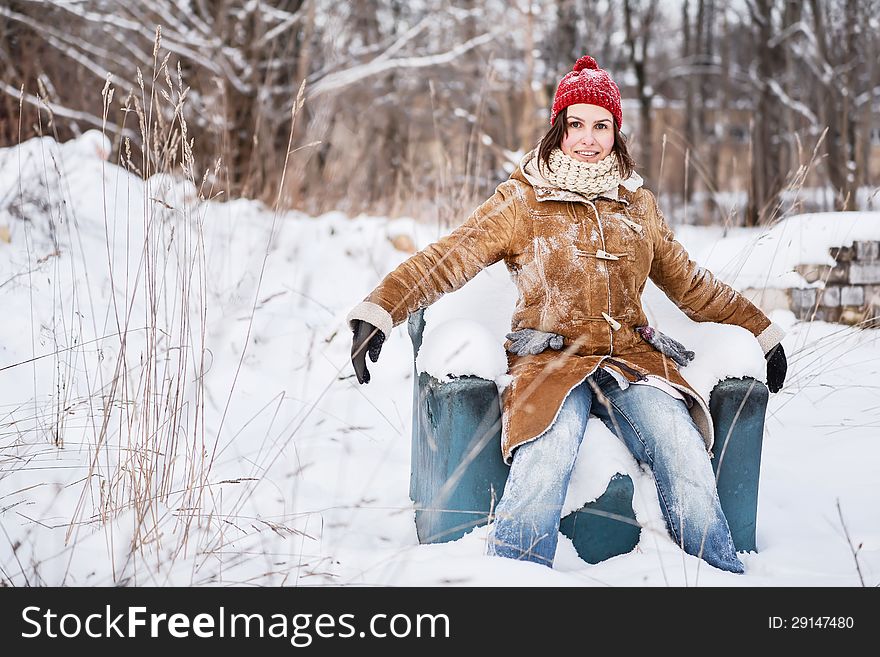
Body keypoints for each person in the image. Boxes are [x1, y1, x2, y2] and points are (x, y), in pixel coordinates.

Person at [346, 55, 788, 573]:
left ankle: (717, 578)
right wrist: (382, 309)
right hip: (550, 363)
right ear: (558, 128)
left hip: (631, 359)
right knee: (546, 451)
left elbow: (690, 285)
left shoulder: (636, 204)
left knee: (683, 445)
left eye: (601, 126)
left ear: (616, 133)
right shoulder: (523, 200)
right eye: (576, 124)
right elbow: (451, 257)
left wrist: (762, 331)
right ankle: (514, 579)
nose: (588, 138)